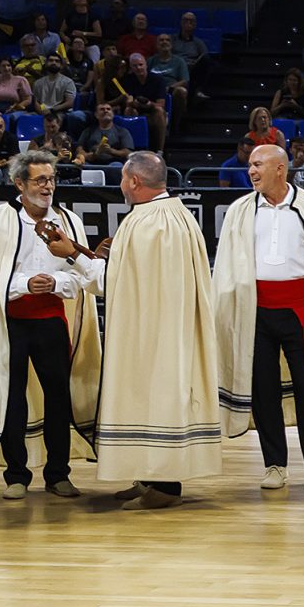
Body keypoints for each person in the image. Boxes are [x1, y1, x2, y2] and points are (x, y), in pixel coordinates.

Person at [0, 149, 104, 500]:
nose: (48, 187)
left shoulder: (69, 221)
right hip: (9, 321)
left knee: (59, 397)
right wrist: (24, 285)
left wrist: (55, 282)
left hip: (51, 320)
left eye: (51, 179)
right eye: (40, 180)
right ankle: (16, 475)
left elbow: (82, 276)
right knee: (12, 397)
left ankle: (58, 474)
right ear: (20, 184)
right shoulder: (0, 220)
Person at [213, 143, 304, 491]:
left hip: (301, 312)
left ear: (280, 168)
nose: (251, 170)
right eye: (250, 164)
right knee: (263, 389)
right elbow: (228, 265)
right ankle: (274, 464)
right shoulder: (241, 210)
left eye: (259, 164)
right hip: (255, 312)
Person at [96, 152, 224, 508]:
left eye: (123, 179)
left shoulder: (152, 222)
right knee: (147, 397)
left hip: (156, 328)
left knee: (156, 395)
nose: (121, 186)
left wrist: (74, 259)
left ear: (134, 181)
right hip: (159, 322)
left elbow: (119, 282)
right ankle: (148, 476)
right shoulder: (171, 214)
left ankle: (166, 488)